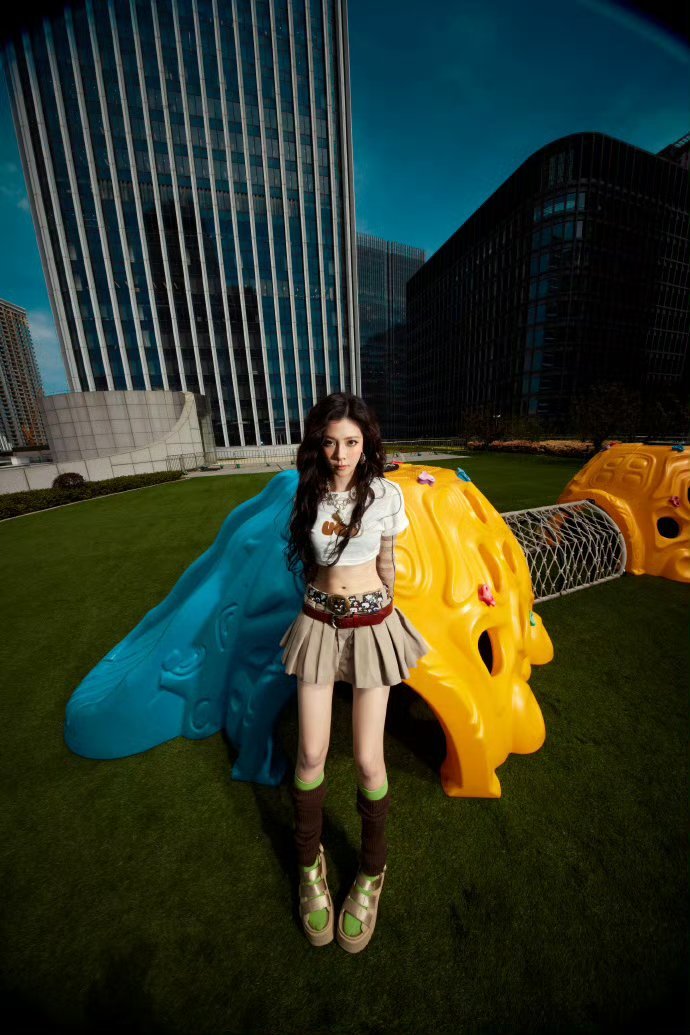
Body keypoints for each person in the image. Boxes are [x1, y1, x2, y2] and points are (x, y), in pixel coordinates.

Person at [280, 392, 431, 952]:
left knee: (369, 759)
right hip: (319, 621)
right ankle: (308, 863)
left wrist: (383, 616)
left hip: (372, 623)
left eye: (351, 442)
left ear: (366, 443)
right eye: (330, 442)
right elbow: (313, 565)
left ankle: (371, 870)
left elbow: (387, 563)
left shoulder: (387, 494)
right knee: (311, 753)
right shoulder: (308, 492)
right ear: (317, 445)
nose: (341, 454)